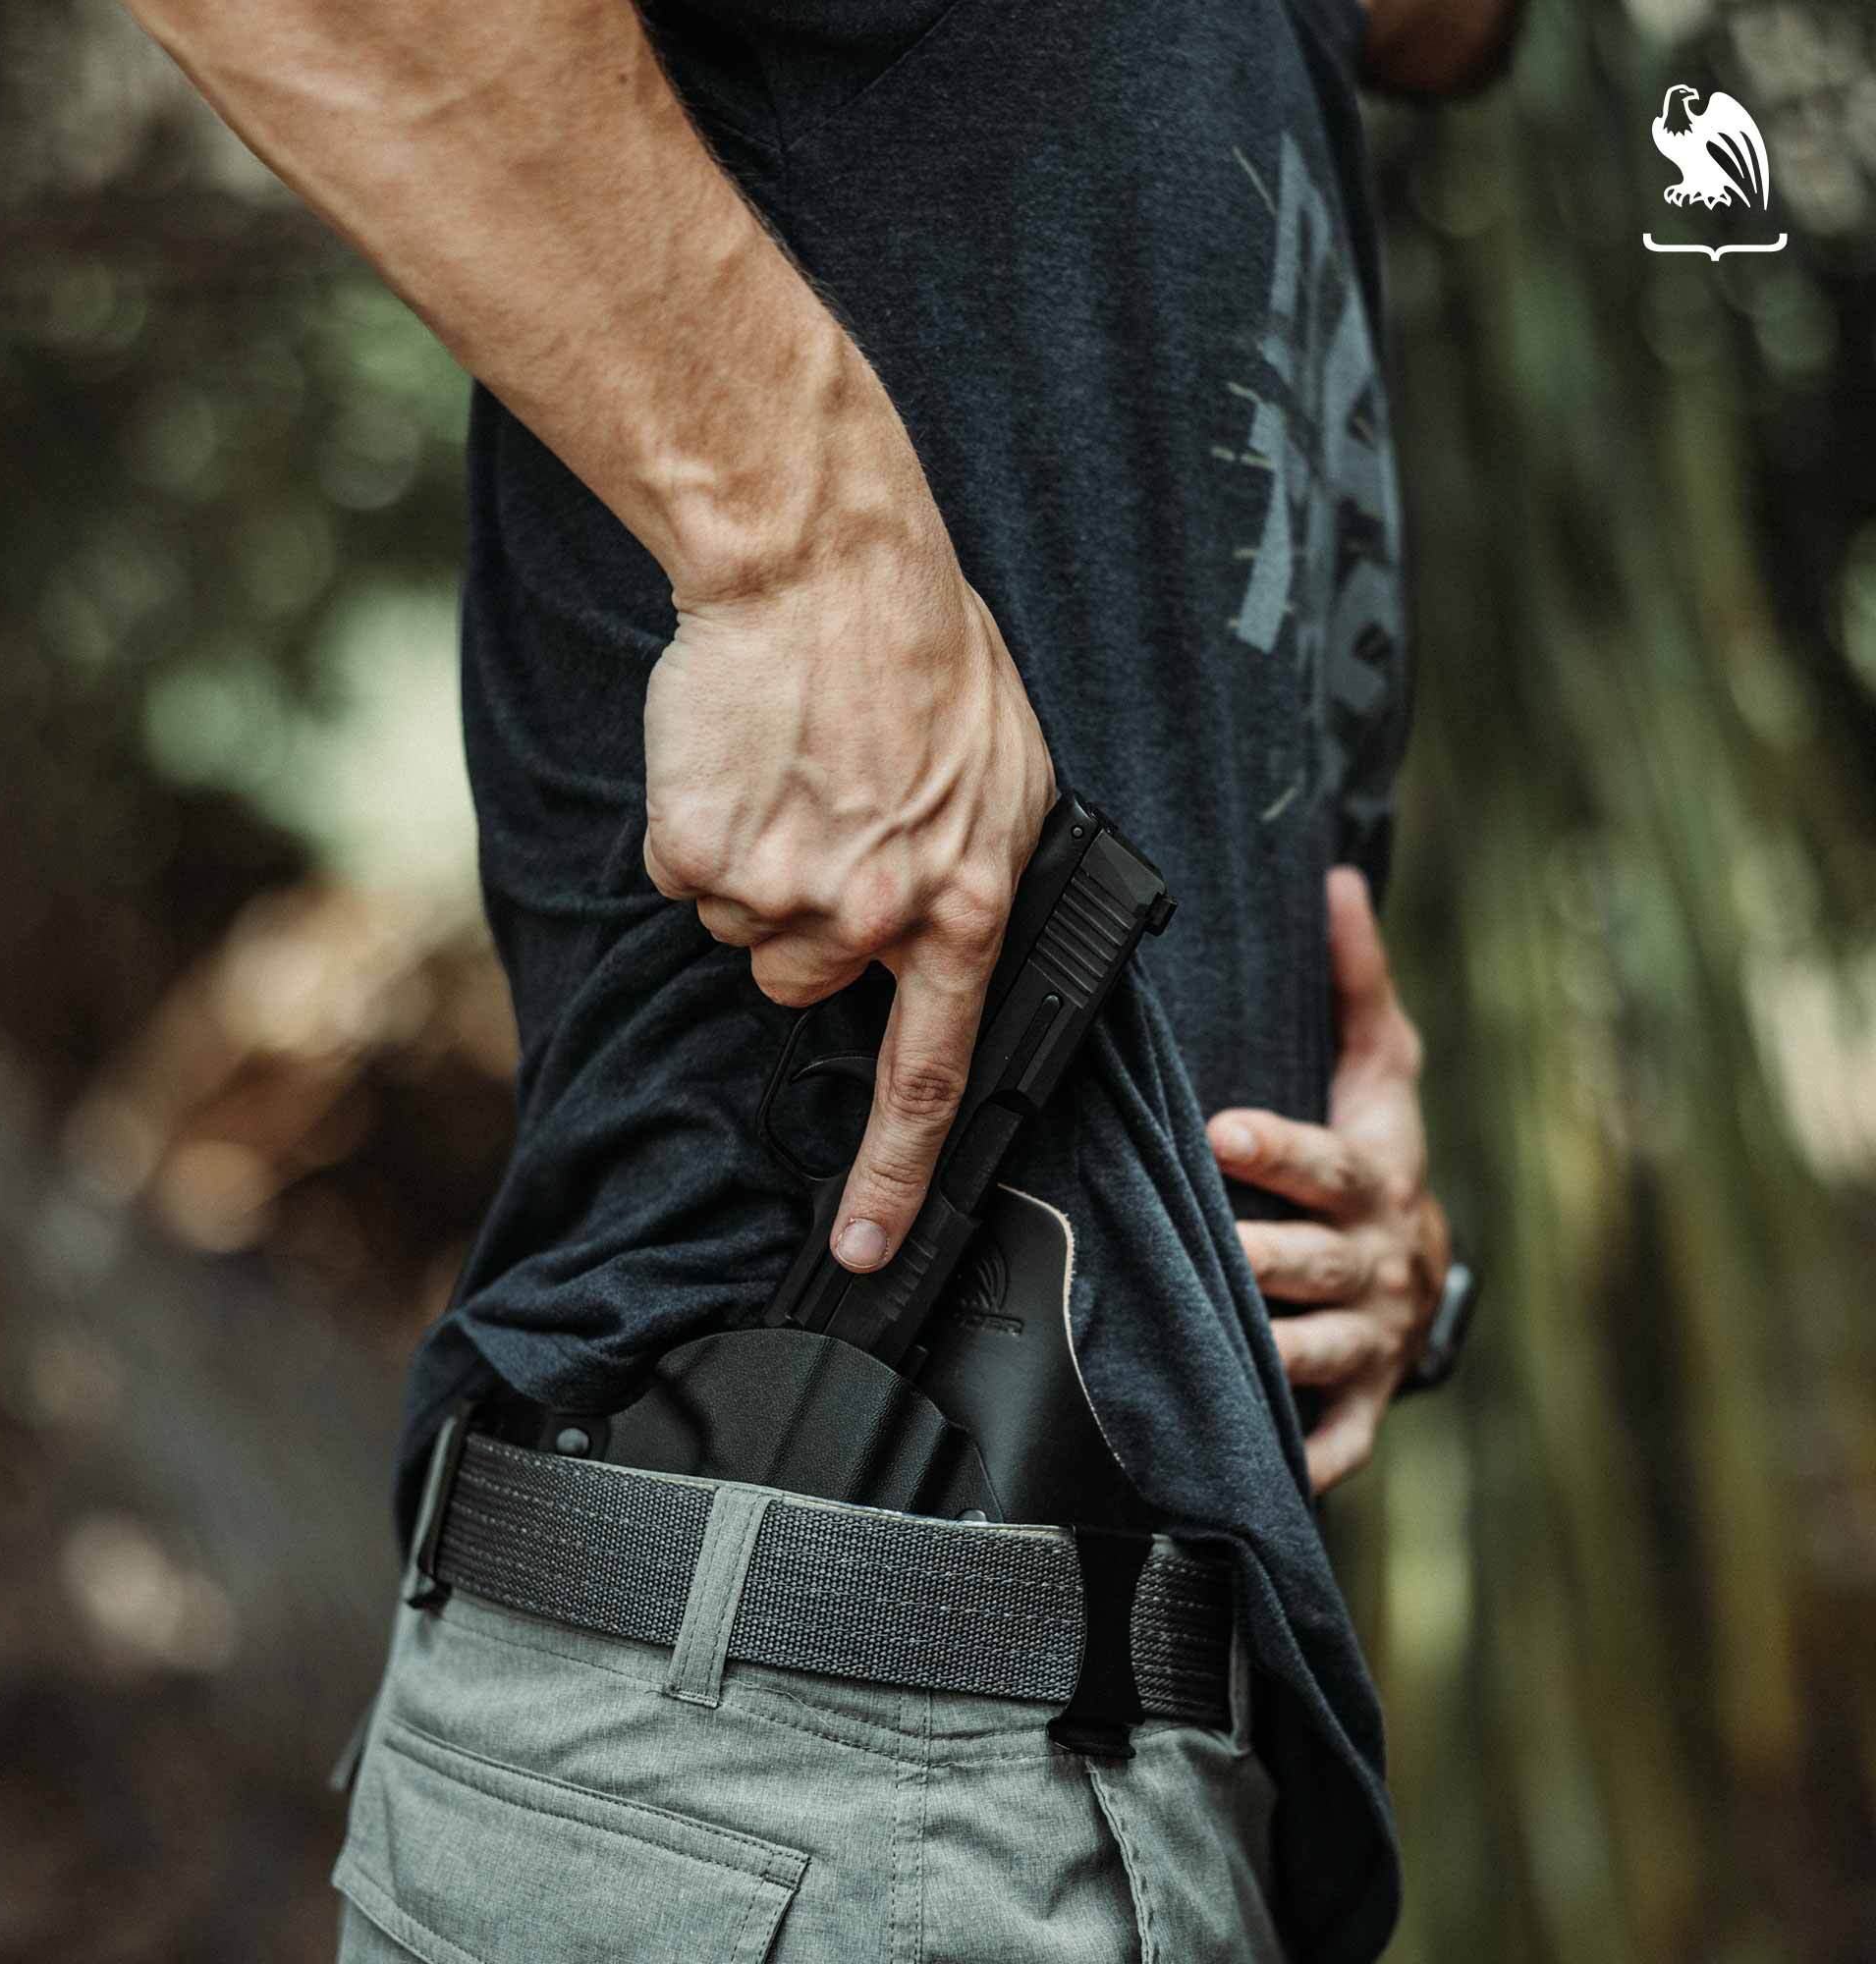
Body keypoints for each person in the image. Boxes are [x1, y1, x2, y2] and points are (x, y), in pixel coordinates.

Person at [122, 0, 1521, 1957]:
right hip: (818, 1724)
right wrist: (789, 527)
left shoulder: (1251, 72)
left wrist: (1350, 1265)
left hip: (1058, 1769)